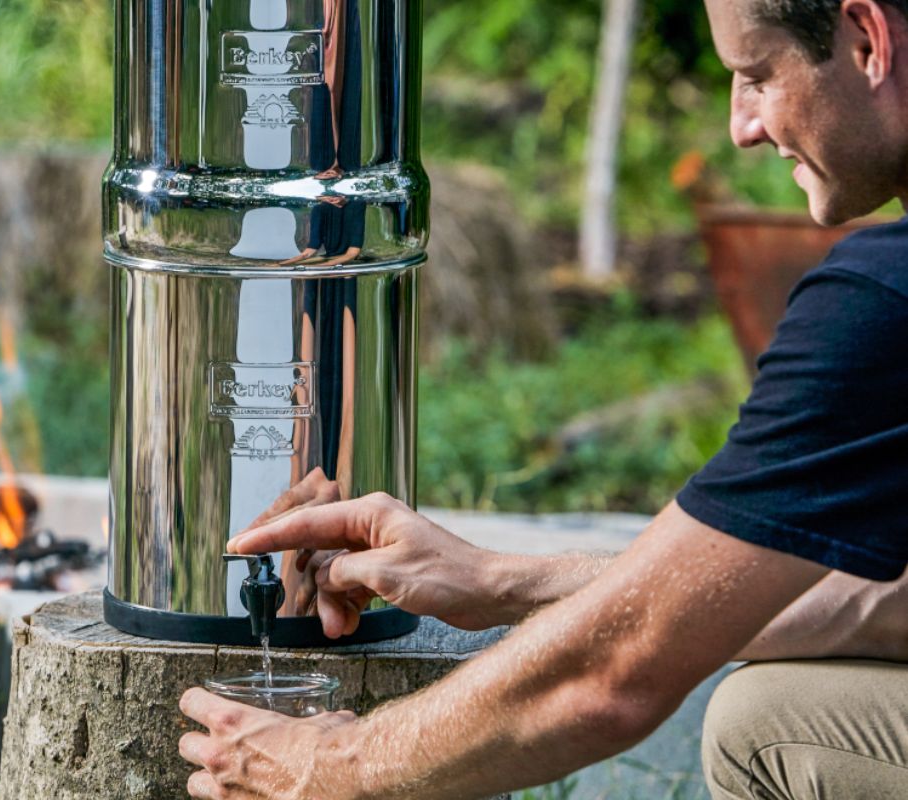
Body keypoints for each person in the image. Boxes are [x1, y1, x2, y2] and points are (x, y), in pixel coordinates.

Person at [178, 0, 908, 796]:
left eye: (757, 76)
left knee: (764, 729)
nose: (742, 126)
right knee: (771, 715)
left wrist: (334, 770)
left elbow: (611, 676)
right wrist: (502, 582)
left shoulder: (883, 302)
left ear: (866, 39)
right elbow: (884, 602)